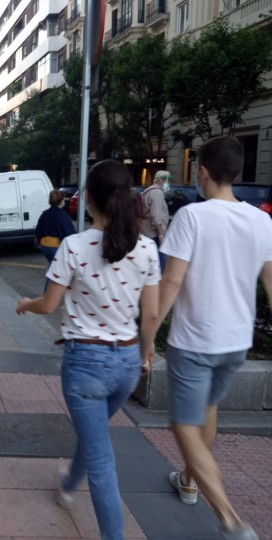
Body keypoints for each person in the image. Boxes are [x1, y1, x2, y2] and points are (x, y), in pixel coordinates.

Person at [16, 160, 160, 540]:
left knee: (102, 458)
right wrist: (147, 353)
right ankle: (67, 484)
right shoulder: (146, 249)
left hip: (86, 366)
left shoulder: (74, 247)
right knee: (94, 435)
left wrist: (25, 303)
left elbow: (49, 305)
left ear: (89, 200)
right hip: (127, 362)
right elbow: (152, 313)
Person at [157, 136, 272, 540]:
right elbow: (271, 282)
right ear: (237, 173)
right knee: (207, 409)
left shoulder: (193, 217)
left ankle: (230, 519)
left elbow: (171, 281)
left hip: (195, 340)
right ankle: (189, 479)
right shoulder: (262, 220)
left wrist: (149, 331)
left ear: (202, 172)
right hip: (236, 342)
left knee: (184, 425)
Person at [36, 189, 77, 290]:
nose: (64, 202)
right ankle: (47, 296)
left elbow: (38, 230)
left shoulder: (45, 214)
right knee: (55, 272)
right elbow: (69, 234)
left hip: (45, 246)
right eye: (63, 200)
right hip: (56, 247)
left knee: (53, 268)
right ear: (60, 201)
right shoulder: (63, 216)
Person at [141, 170, 171, 272]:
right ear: (161, 180)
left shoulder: (149, 190)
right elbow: (156, 216)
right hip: (154, 234)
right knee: (160, 264)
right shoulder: (157, 193)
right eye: (167, 180)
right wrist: (161, 235)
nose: (168, 183)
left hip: (147, 232)